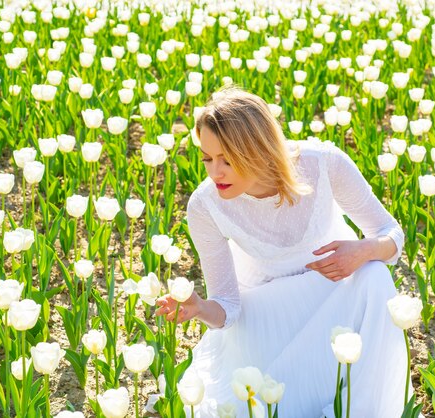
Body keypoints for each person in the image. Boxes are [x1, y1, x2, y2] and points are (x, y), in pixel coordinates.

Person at [155, 87, 410, 417]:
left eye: (227, 160)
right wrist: (200, 307)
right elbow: (228, 306)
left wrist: (362, 251)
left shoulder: (324, 164)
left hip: (336, 295)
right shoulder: (206, 206)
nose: (214, 172)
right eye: (207, 158)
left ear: (258, 150)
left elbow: (391, 234)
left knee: (375, 276)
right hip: (268, 315)